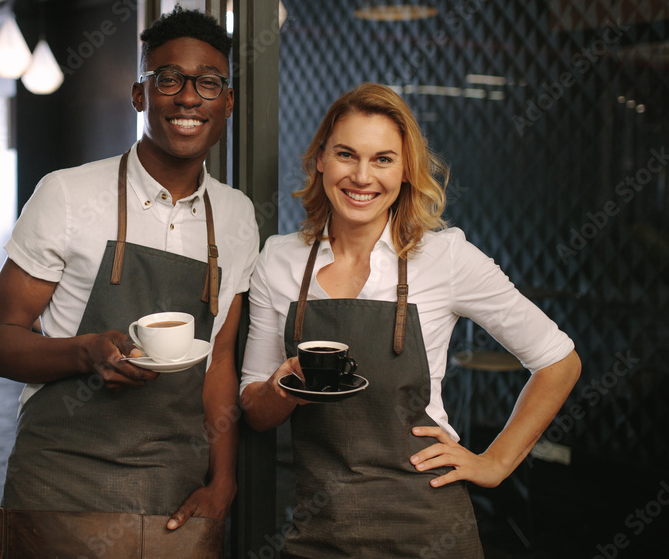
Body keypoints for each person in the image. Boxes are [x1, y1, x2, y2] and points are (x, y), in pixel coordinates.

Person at [240, 83, 580, 557]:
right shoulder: (279, 259)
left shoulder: (445, 257)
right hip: (320, 530)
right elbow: (254, 411)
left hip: (427, 526)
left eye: (383, 159)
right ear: (320, 160)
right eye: (345, 155)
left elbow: (558, 361)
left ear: (405, 172)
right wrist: (284, 382)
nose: (362, 176)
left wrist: (496, 462)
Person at [0, 6, 259, 557]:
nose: (187, 97)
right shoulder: (66, 194)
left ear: (227, 103)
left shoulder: (237, 216)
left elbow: (220, 360)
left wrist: (223, 483)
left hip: (177, 492)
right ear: (140, 95)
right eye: (168, 79)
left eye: (208, 82)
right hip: (61, 485)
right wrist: (85, 354)